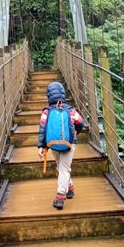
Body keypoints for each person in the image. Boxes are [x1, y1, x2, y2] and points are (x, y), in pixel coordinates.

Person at [37, 81, 85, 210]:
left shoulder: (46, 112)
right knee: (64, 168)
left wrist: (41, 147)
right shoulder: (70, 110)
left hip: (53, 145)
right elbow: (81, 123)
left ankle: (62, 194)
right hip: (69, 143)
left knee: (61, 167)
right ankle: (64, 192)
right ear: (63, 94)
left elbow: (42, 129)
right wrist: (75, 133)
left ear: (48, 95)